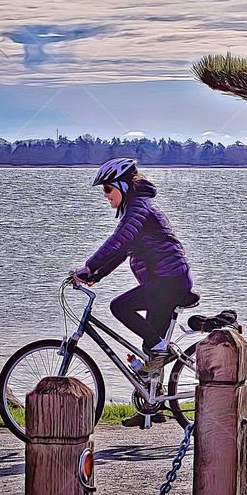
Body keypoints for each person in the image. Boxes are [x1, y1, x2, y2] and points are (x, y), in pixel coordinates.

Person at [74, 158, 198, 376]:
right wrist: (96, 275)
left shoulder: (138, 208)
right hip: (165, 282)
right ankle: (152, 406)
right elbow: (123, 251)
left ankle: (162, 351)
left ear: (122, 185)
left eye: (107, 188)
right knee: (151, 351)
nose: (105, 194)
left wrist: (89, 265)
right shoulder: (135, 207)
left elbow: (120, 240)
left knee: (120, 307)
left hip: (168, 281)